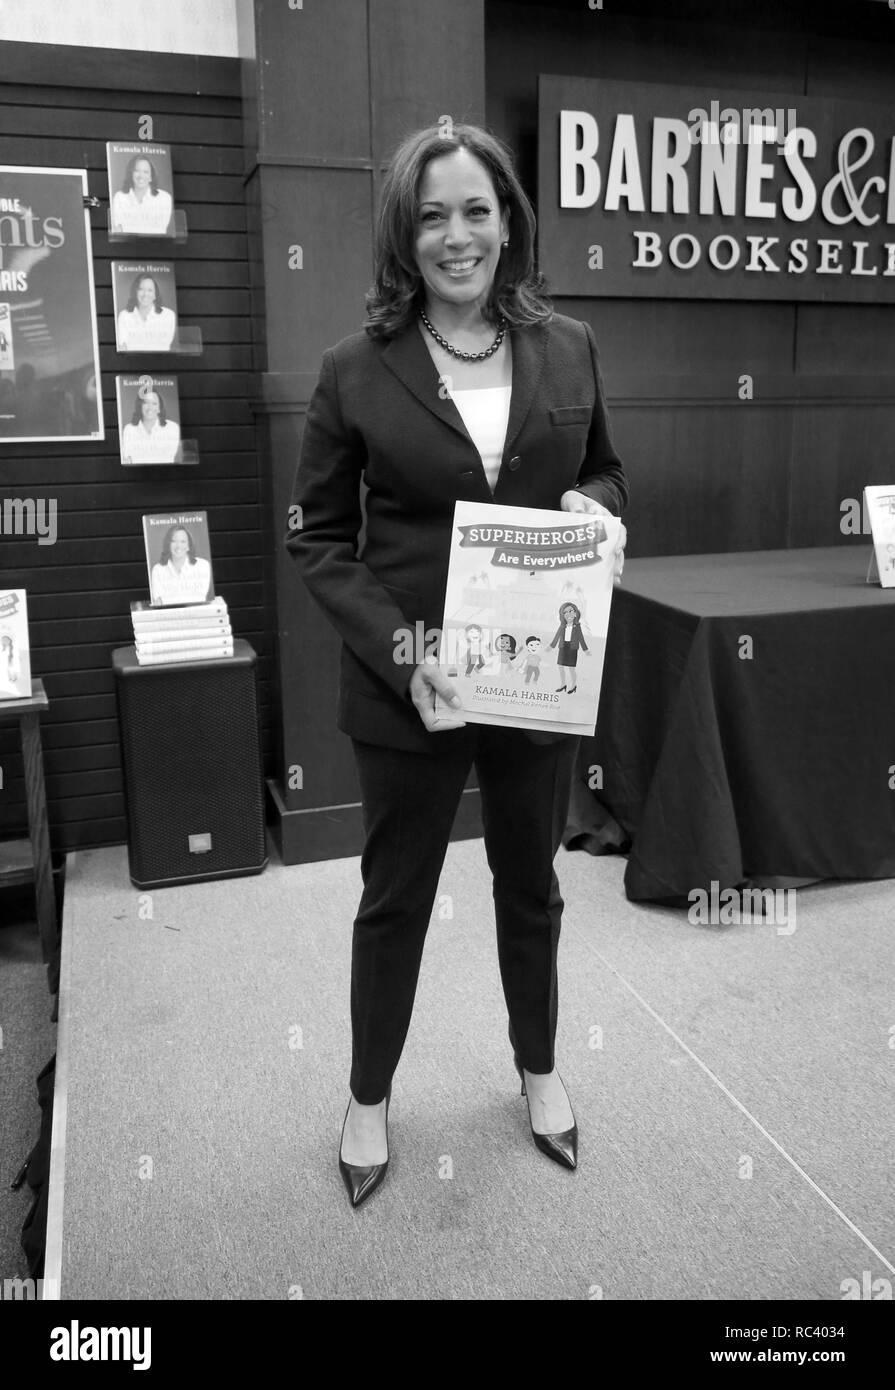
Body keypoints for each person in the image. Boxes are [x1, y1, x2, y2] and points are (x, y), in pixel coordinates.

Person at [287, 122, 628, 1209]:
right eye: (431, 214)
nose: (456, 233)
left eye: (475, 209)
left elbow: (609, 474)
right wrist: (404, 650)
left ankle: (537, 1068)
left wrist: (598, 513)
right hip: (412, 684)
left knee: (530, 886)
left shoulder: (568, 345)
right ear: (404, 233)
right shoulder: (354, 370)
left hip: (536, 681)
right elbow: (317, 536)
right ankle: (368, 1097)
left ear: (508, 220)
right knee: (395, 895)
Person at [111, 156, 173, 236]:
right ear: (131, 174)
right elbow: (119, 230)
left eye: (146, 172)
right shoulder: (120, 197)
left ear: (151, 177)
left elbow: (159, 230)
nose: (141, 176)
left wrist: (129, 226)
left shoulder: (164, 198)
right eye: (136, 171)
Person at [149, 526, 212, 606]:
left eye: (183, 541)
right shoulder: (158, 569)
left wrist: (166, 599)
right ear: (168, 544)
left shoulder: (203, 566)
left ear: (189, 546)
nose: (178, 546)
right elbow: (158, 603)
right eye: (173, 541)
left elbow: (199, 598)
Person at [116, 273, 177, 351]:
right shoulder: (124, 316)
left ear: (155, 295)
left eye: (150, 290)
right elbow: (123, 348)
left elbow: (163, 346)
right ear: (135, 292)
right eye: (141, 289)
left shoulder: (168, 315)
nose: (145, 294)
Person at [121, 388, 181, 465]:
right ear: (140, 406)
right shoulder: (129, 429)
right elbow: (128, 460)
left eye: (154, 403)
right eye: (146, 403)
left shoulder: (172, 428)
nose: (150, 408)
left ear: (159, 408)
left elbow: (167, 457)